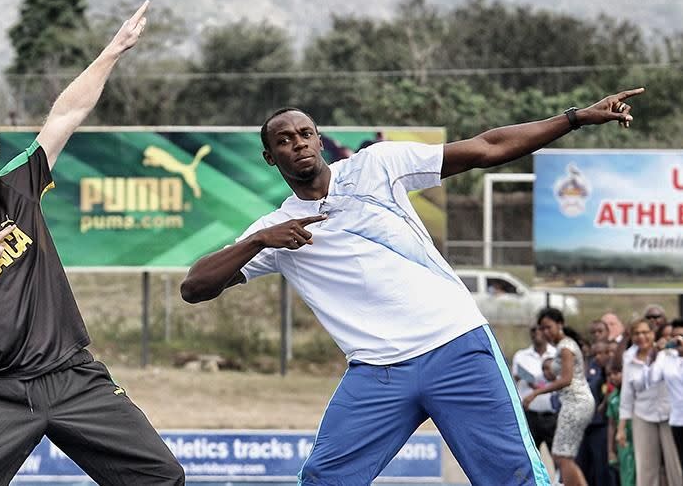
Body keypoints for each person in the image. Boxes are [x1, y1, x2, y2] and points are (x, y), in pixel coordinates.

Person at [180, 87, 643, 484]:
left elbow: (487, 148)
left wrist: (575, 117)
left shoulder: (377, 165)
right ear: (270, 157)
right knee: (323, 479)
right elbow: (195, 286)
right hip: (377, 372)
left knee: (514, 478)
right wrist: (259, 240)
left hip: (454, 346)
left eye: (305, 134)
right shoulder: (276, 229)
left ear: (319, 140)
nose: (298, 144)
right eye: (284, 140)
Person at [0, 3, 184, 485]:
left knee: (162, 475)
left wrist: (112, 51)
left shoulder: (16, 190)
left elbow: (66, 113)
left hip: (73, 377)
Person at [523, 308, 594, 486]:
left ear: (560, 324)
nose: (545, 332)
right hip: (571, 402)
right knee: (562, 455)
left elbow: (566, 379)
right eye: (542, 328)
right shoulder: (561, 346)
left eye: (549, 327)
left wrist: (536, 393)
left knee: (562, 457)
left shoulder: (565, 346)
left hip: (576, 402)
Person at [618, 319, 681, 486]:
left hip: (670, 414)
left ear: (653, 334)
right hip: (643, 414)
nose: (641, 337)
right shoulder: (629, 357)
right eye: (636, 333)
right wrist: (621, 428)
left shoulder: (667, 353)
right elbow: (626, 393)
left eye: (645, 332)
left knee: (676, 466)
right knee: (645, 469)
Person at [513, 325, 558, 455]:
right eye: (533, 330)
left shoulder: (556, 353)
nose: (537, 333)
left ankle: (558, 477)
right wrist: (522, 378)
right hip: (529, 415)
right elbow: (514, 379)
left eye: (540, 329)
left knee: (558, 458)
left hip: (552, 415)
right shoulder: (521, 355)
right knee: (529, 456)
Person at [647, 318, 683, 473]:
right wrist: (658, 353)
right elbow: (652, 379)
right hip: (678, 419)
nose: (677, 340)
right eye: (674, 336)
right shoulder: (666, 357)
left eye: (681, 335)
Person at [576, 340, 613, 486]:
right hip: (584, 425)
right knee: (584, 465)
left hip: (600, 425)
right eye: (594, 354)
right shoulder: (588, 370)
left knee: (601, 467)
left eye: (601, 353)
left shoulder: (607, 373)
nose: (598, 357)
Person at [607, 360, 636, 486]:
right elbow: (612, 425)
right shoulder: (612, 397)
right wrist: (610, 450)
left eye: (617, 373)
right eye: (610, 374)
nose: (613, 377)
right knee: (627, 477)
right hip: (623, 444)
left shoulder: (636, 393)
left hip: (638, 440)